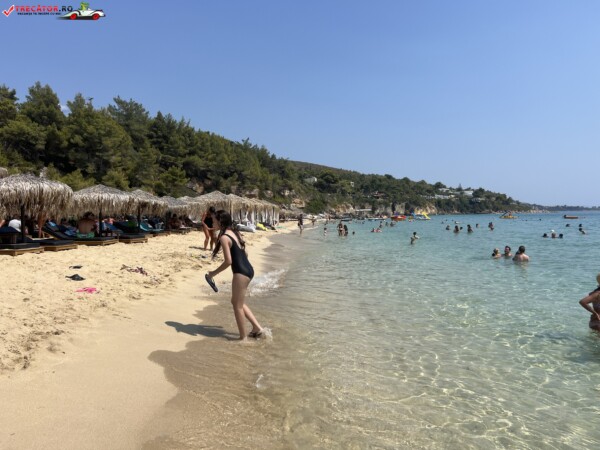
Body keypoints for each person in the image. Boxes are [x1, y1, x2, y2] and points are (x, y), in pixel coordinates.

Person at [206, 211, 263, 341]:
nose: (212, 223)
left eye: (214, 220)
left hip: (241, 272)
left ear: (220, 221)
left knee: (237, 306)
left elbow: (228, 261)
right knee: (237, 302)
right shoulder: (235, 233)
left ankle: (243, 339)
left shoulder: (224, 237)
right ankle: (257, 328)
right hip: (249, 269)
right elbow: (245, 254)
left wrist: (212, 274)